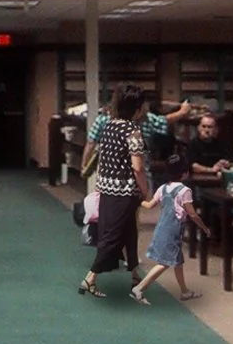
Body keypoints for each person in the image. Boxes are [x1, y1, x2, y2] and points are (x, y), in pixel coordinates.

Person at [79, 84, 150, 298]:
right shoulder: (133, 131)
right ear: (137, 109)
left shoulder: (109, 126)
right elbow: (137, 167)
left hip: (107, 188)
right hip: (125, 192)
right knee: (113, 235)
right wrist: (145, 190)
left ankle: (135, 275)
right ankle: (89, 278)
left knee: (129, 232)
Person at [130, 158, 211, 304]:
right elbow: (192, 214)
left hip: (161, 227)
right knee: (165, 263)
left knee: (177, 261)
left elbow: (149, 205)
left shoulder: (163, 188)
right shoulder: (184, 191)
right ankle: (140, 288)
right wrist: (204, 227)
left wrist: (136, 199)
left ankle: (185, 291)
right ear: (185, 174)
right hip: (173, 230)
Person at [80, 94, 194, 177]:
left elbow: (91, 143)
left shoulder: (103, 118)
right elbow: (164, 121)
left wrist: (85, 164)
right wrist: (183, 111)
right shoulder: (144, 120)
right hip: (135, 173)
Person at [186, 111, 233, 178]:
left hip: (218, 179)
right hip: (199, 180)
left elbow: (231, 162)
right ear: (198, 128)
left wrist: (225, 163)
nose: (206, 130)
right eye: (204, 126)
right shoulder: (192, 144)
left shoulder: (220, 144)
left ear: (215, 129)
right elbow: (193, 166)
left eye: (210, 127)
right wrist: (211, 170)